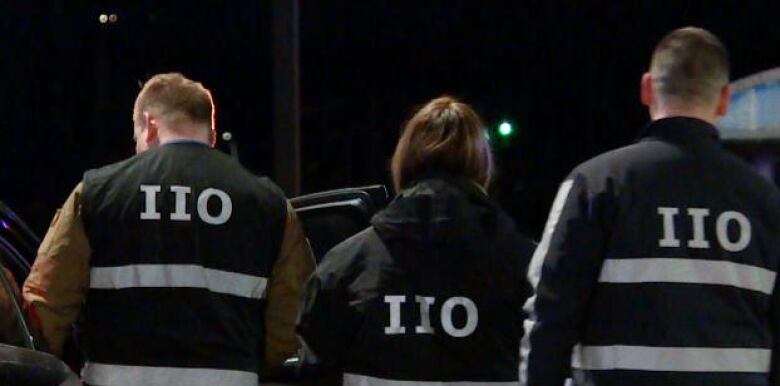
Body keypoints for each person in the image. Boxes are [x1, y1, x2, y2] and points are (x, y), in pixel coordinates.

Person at [522, 27, 780, 386]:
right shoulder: (766, 201)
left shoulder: (595, 185)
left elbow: (550, 319)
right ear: (724, 99)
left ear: (647, 88)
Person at [21, 73, 315, 386]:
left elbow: (46, 312)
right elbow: (290, 328)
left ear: (148, 125)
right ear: (212, 134)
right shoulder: (268, 204)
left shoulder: (96, 193)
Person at [297, 96, 536, 385]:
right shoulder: (527, 265)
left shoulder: (348, 265)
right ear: (482, 167)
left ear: (404, 161)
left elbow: (313, 369)